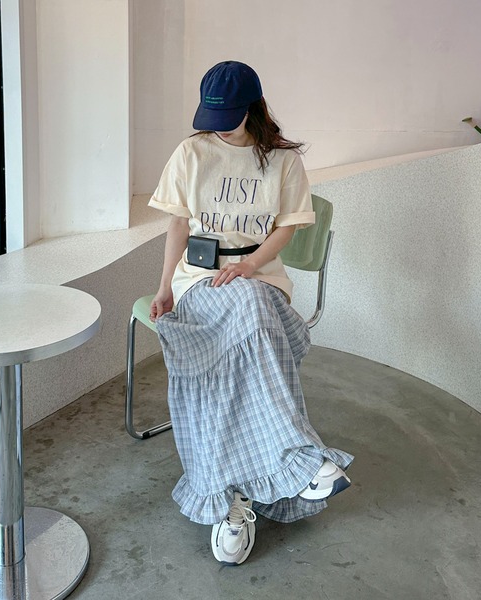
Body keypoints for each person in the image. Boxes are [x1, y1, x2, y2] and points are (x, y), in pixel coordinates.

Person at [149, 60, 353, 566]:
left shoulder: (283, 160)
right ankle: (302, 458)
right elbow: (178, 227)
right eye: (212, 116)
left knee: (253, 307)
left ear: (253, 108)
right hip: (199, 281)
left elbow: (287, 227)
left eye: (229, 116)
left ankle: (229, 497)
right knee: (253, 315)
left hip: (259, 276)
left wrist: (250, 265)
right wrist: (165, 286)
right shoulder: (191, 153)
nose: (219, 126)